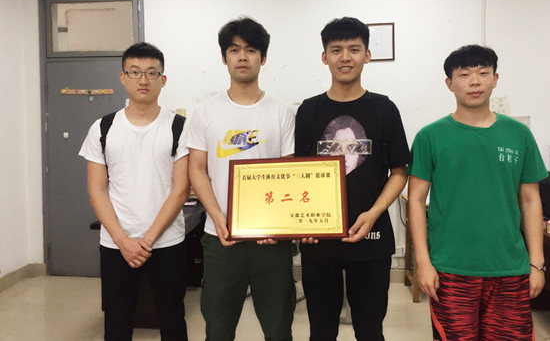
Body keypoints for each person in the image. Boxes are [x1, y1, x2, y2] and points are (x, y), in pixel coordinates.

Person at [407, 44, 548, 341]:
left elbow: (530, 199)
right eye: (464, 74)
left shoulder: (519, 134)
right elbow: (416, 201)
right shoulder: (430, 136)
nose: (474, 81)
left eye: (483, 73)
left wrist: (536, 263)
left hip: (509, 267)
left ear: (495, 79)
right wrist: (423, 263)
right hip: (450, 268)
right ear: (449, 83)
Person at [295, 17, 410, 341]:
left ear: (367, 55)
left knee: (370, 330)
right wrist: (302, 223)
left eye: (354, 49)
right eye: (336, 50)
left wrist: (373, 214)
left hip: (372, 236)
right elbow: (299, 172)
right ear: (324, 57)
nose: (345, 57)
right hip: (319, 240)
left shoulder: (384, 109)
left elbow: (399, 172)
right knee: (321, 331)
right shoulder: (308, 111)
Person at [186, 17, 296, 341]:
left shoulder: (282, 112)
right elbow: (197, 169)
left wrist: (278, 224)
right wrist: (217, 216)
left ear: (264, 57)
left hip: (271, 241)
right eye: (234, 50)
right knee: (218, 329)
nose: (242, 57)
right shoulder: (205, 112)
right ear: (224, 58)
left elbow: (289, 172)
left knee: (279, 329)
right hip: (221, 238)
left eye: (251, 49)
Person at [79, 42, 190, 341]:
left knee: (173, 322)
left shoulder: (180, 127)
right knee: (116, 324)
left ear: (163, 80)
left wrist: (147, 240)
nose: (143, 79)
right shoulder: (102, 128)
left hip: (167, 242)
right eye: (135, 72)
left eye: (152, 73)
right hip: (116, 244)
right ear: (123, 77)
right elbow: (96, 189)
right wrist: (123, 240)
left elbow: (181, 189)